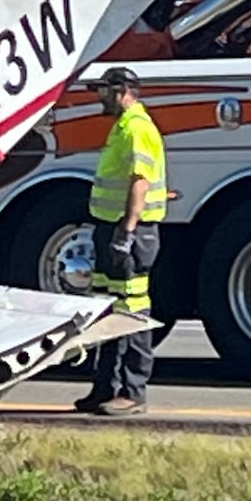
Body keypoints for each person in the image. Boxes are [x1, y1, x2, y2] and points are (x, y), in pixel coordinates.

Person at [75, 66, 167, 417]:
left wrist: (127, 232)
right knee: (108, 309)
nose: (100, 98)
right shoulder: (123, 126)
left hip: (129, 232)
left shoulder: (137, 128)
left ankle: (133, 391)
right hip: (111, 228)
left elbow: (139, 182)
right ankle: (105, 388)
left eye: (104, 91)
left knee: (133, 309)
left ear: (122, 91)